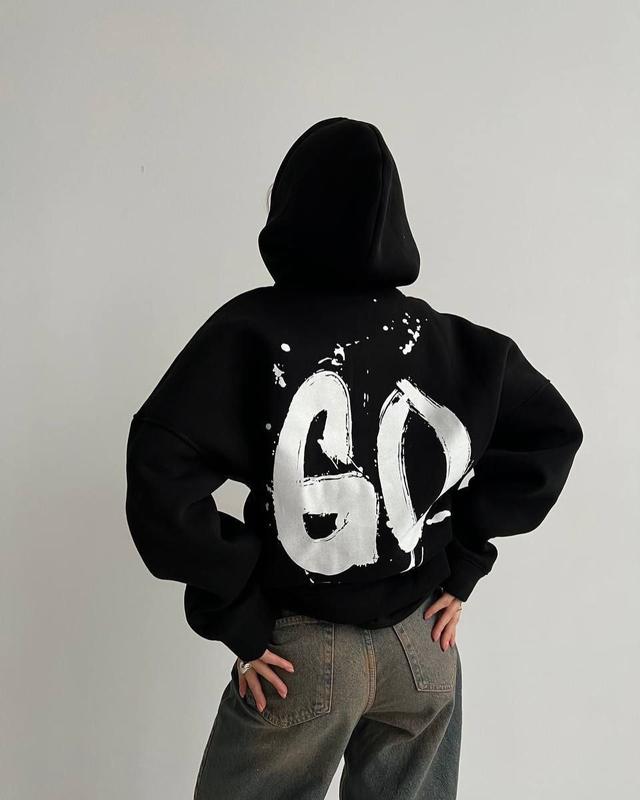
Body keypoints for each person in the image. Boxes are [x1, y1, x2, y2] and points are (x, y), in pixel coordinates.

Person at [125, 116, 583, 799]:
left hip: (300, 656)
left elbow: (160, 469)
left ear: (289, 211)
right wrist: (462, 562)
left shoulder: (248, 332)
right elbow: (551, 433)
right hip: (425, 650)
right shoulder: (445, 339)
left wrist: (238, 612)